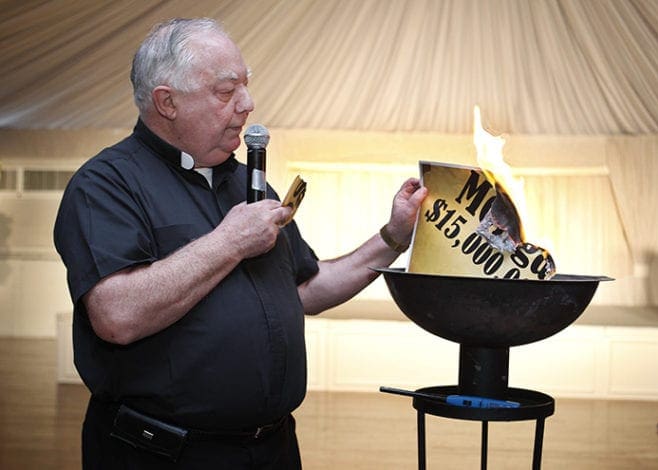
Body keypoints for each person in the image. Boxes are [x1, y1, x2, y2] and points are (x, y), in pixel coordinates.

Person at [54, 17, 427, 470]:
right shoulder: (107, 184)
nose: (247, 105)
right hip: (163, 454)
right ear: (167, 102)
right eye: (226, 91)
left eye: (246, 87)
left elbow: (305, 291)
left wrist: (392, 237)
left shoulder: (249, 187)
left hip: (272, 449)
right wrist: (230, 241)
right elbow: (117, 315)